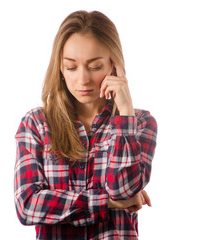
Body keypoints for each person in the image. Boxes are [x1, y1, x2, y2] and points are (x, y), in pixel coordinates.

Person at [14, 10, 157, 240]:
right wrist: (106, 202)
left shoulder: (140, 123)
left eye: (94, 66)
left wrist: (125, 114)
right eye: (71, 67)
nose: (83, 80)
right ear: (60, 68)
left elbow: (125, 190)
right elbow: (27, 205)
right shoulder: (37, 124)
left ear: (114, 65)